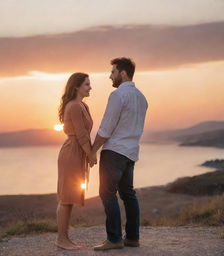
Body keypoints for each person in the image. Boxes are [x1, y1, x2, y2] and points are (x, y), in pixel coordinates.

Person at [91, 57, 148, 251]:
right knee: (128, 194)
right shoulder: (142, 97)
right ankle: (132, 238)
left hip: (114, 152)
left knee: (107, 193)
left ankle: (114, 238)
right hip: (131, 152)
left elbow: (106, 129)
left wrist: (92, 151)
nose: (110, 76)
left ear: (122, 73)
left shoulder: (117, 95)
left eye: (113, 72)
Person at [56, 72, 94, 250]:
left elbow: (85, 134)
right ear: (77, 87)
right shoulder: (74, 107)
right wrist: (91, 154)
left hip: (77, 152)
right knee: (66, 197)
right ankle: (62, 239)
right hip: (72, 152)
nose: (90, 87)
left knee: (69, 197)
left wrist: (87, 153)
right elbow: (80, 134)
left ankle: (64, 238)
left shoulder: (82, 106)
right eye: (87, 84)